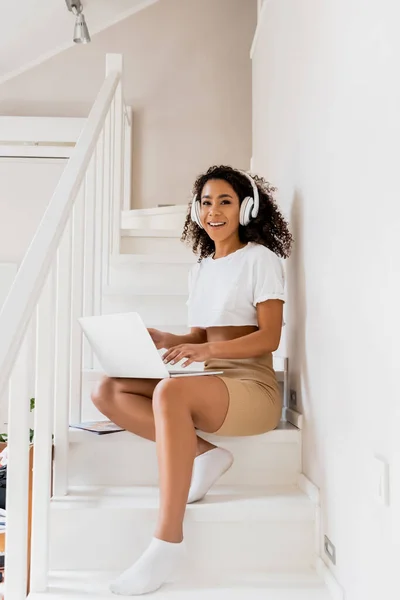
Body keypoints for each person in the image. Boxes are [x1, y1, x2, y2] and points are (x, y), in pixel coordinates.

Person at [91, 165, 293, 596]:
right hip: (216, 379)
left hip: (252, 389)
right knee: (108, 388)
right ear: (195, 210)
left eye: (225, 201)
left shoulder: (261, 259)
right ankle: (204, 454)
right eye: (205, 202)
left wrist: (207, 352)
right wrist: (170, 338)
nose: (213, 211)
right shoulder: (201, 268)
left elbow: (269, 336)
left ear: (247, 208)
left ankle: (165, 542)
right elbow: (200, 335)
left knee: (170, 390)